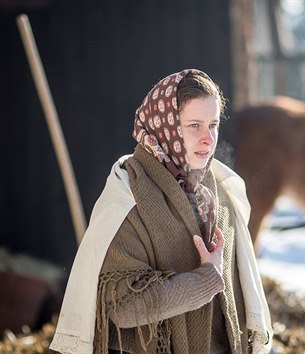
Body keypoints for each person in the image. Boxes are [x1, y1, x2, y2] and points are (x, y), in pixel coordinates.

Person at [49, 69, 272, 354]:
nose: (208, 139)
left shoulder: (223, 193)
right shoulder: (128, 196)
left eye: (213, 125)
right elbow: (124, 307)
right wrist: (204, 281)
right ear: (164, 126)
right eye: (194, 125)